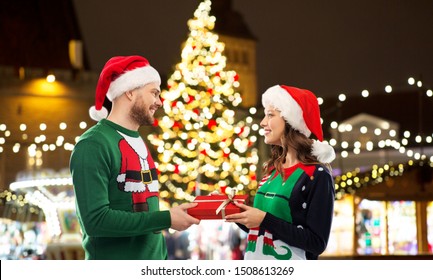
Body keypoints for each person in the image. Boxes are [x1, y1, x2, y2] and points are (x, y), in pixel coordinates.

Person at [70, 55, 200, 260]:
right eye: (154, 93)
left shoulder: (138, 141)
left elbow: (145, 208)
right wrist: (166, 218)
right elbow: (95, 221)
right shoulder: (93, 145)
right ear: (130, 91)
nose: (159, 102)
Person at [225, 85, 336, 260]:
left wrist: (264, 219)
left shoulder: (318, 175)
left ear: (291, 121)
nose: (262, 122)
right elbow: (263, 230)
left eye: (270, 115)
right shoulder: (273, 170)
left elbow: (317, 243)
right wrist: (233, 211)